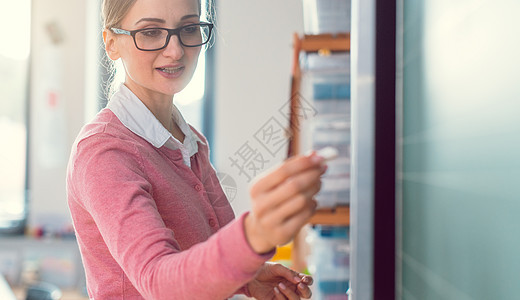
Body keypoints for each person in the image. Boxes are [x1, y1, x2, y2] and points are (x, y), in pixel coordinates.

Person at [66, 0, 327, 299]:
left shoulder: (191, 141)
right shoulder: (103, 152)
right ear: (111, 43)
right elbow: (160, 283)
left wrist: (248, 277)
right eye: (151, 32)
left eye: (189, 28)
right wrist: (255, 233)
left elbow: (205, 252)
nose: (175, 50)